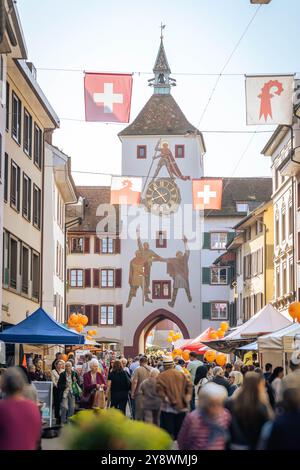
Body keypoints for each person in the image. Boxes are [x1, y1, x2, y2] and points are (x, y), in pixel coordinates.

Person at [178, 383, 231, 450]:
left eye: (219, 404)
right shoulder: (193, 418)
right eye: (211, 404)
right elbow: (182, 441)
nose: (215, 408)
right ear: (203, 403)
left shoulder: (225, 415)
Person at [228, 372, 273, 450]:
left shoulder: (232, 403)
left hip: (234, 444)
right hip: (254, 445)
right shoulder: (261, 406)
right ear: (259, 385)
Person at [0, 367, 41, 450]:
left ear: (3, 387)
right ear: (22, 386)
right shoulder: (33, 408)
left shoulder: (2, 408)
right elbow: (36, 434)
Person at [156, 356, 193, 440]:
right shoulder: (181, 374)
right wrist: (187, 397)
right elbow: (190, 385)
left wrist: (168, 400)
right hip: (181, 406)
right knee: (180, 430)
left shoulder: (161, 376)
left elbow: (159, 391)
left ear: (164, 366)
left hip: (167, 408)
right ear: (173, 365)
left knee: (168, 431)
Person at [166, 236, 192, 307]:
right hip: (178, 276)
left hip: (184, 275)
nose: (179, 255)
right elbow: (166, 260)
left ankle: (189, 298)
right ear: (176, 256)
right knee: (175, 289)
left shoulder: (185, 259)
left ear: (181, 255)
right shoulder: (174, 260)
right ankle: (172, 303)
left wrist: (185, 243)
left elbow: (187, 251)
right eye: (178, 254)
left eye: (180, 254)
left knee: (186, 288)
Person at [131, 356, 152, 420]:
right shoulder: (152, 369)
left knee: (139, 413)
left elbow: (135, 382)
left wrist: (132, 393)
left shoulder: (138, 369)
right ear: (147, 362)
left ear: (140, 362)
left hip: (140, 394)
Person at [51, 359, 65, 424]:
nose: (60, 365)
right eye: (59, 364)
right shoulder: (53, 372)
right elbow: (53, 381)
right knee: (57, 403)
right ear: (56, 365)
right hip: (56, 389)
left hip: (63, 389)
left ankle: (62, 416)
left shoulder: (63, 371)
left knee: (62, 403)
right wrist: (58, 386)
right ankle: (57, 417)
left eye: (61, 364)